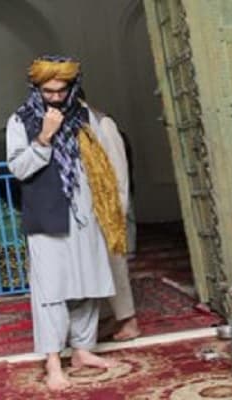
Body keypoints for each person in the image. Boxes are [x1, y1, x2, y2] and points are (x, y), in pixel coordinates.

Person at [6, 55, 126, 390]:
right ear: (36, 88)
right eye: (49, 91)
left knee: (88, 283)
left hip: (86, 212)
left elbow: (101, 163)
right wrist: (44, 137)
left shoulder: (84, 117)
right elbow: (18, 168)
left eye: (62, 90)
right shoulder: (20, 120)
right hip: (47, 215)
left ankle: (83, 350)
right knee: (51, 291)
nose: (56, 97)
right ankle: (53, 361)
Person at [91, 111, 141, 341]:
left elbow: (119, 172)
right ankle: (109, 318)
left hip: (108, 208)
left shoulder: (104, 123)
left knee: (115, 264)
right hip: (88, 210)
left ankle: (129, 320)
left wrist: (118, 208)